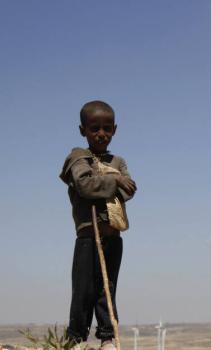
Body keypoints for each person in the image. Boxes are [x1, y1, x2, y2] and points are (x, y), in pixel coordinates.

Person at [60, 100, 137, 350]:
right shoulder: (77, 158)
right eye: (95, 129)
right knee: (83, 289)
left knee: (108, 288)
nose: (101, 134)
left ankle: (107, 337)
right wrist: (114, 183)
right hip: (87, 236)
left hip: (113, 237)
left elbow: (130, 190)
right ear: (83, 130)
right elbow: (84, 186)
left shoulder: (118, 161)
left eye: (107, 128)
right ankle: (76, 338)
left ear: (115, 129)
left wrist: (106, 182)